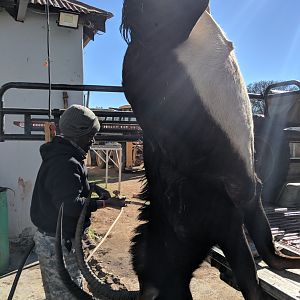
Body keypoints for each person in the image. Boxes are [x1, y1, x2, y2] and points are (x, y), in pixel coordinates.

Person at [30, 104, 125, 299]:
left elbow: (69, 186)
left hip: (54, 239)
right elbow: (69, 205)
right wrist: (105, 204)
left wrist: (94, 189)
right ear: (77, 133)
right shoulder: (65, 162)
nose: (93, 140)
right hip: (57, 244)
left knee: (61, 292)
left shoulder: (64, 154)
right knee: (68, 294)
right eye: (91, 135)